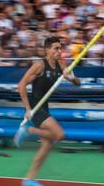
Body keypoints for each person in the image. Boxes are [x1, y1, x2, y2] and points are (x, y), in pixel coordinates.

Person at [14, 37, 81, 186]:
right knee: (60, 134)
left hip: (45, 107)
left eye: (60, 48)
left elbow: (78, 83)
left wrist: (72, 78)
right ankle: (29, 130)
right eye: (56, 48)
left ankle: (29, 179)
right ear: (47, 50)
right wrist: (27, 109)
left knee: (47, 145)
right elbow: (21, 85)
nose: (59, 51)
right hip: (36, 107)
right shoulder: (40, 65)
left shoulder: (61, 65)